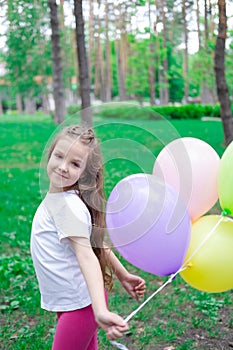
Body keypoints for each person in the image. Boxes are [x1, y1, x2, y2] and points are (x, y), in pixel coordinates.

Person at [30, 125, 146, 350]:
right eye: (59, 156)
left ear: (84, 172)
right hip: (74, 301)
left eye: (74, 164)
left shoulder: (66, 205)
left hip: (80, 305)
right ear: (50, 154)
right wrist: (122, 275)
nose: (63, 167)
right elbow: (95, 242)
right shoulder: (62, 198)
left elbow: (86, 255)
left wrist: (99, 309)